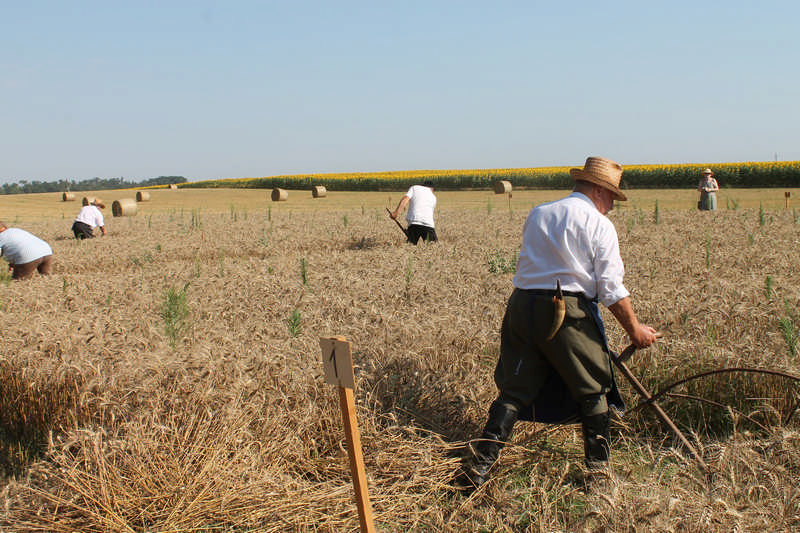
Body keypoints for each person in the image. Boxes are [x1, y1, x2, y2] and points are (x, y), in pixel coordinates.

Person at [456, 156, 658, 492]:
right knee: (594, 388)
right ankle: (598, 479)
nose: (611, 206)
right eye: (611, 197)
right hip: (565, 310)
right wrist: (635, 330)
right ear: (597, 190)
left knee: (514, 390)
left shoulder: (539, 213)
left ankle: (477, 468)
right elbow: (610, 288)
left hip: (522, 306)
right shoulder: (598, 224)